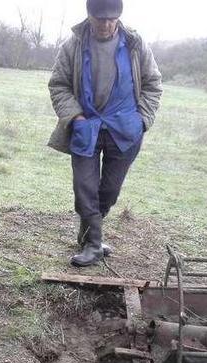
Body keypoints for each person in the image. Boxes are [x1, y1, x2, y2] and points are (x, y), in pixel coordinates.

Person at [48, 0, 162, 267]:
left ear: (119, 18)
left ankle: (90, 234)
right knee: (84, 189)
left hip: (124, 130)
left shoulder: (135, 44)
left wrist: (142, 120)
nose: (106, 25)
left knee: (108, 191)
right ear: (89, 16)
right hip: (86, 126)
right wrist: (75, 117)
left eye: (112, 19)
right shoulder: (73, 45)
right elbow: (58, 84)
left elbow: (153, 84)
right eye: (100, 19)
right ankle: (93, 244)